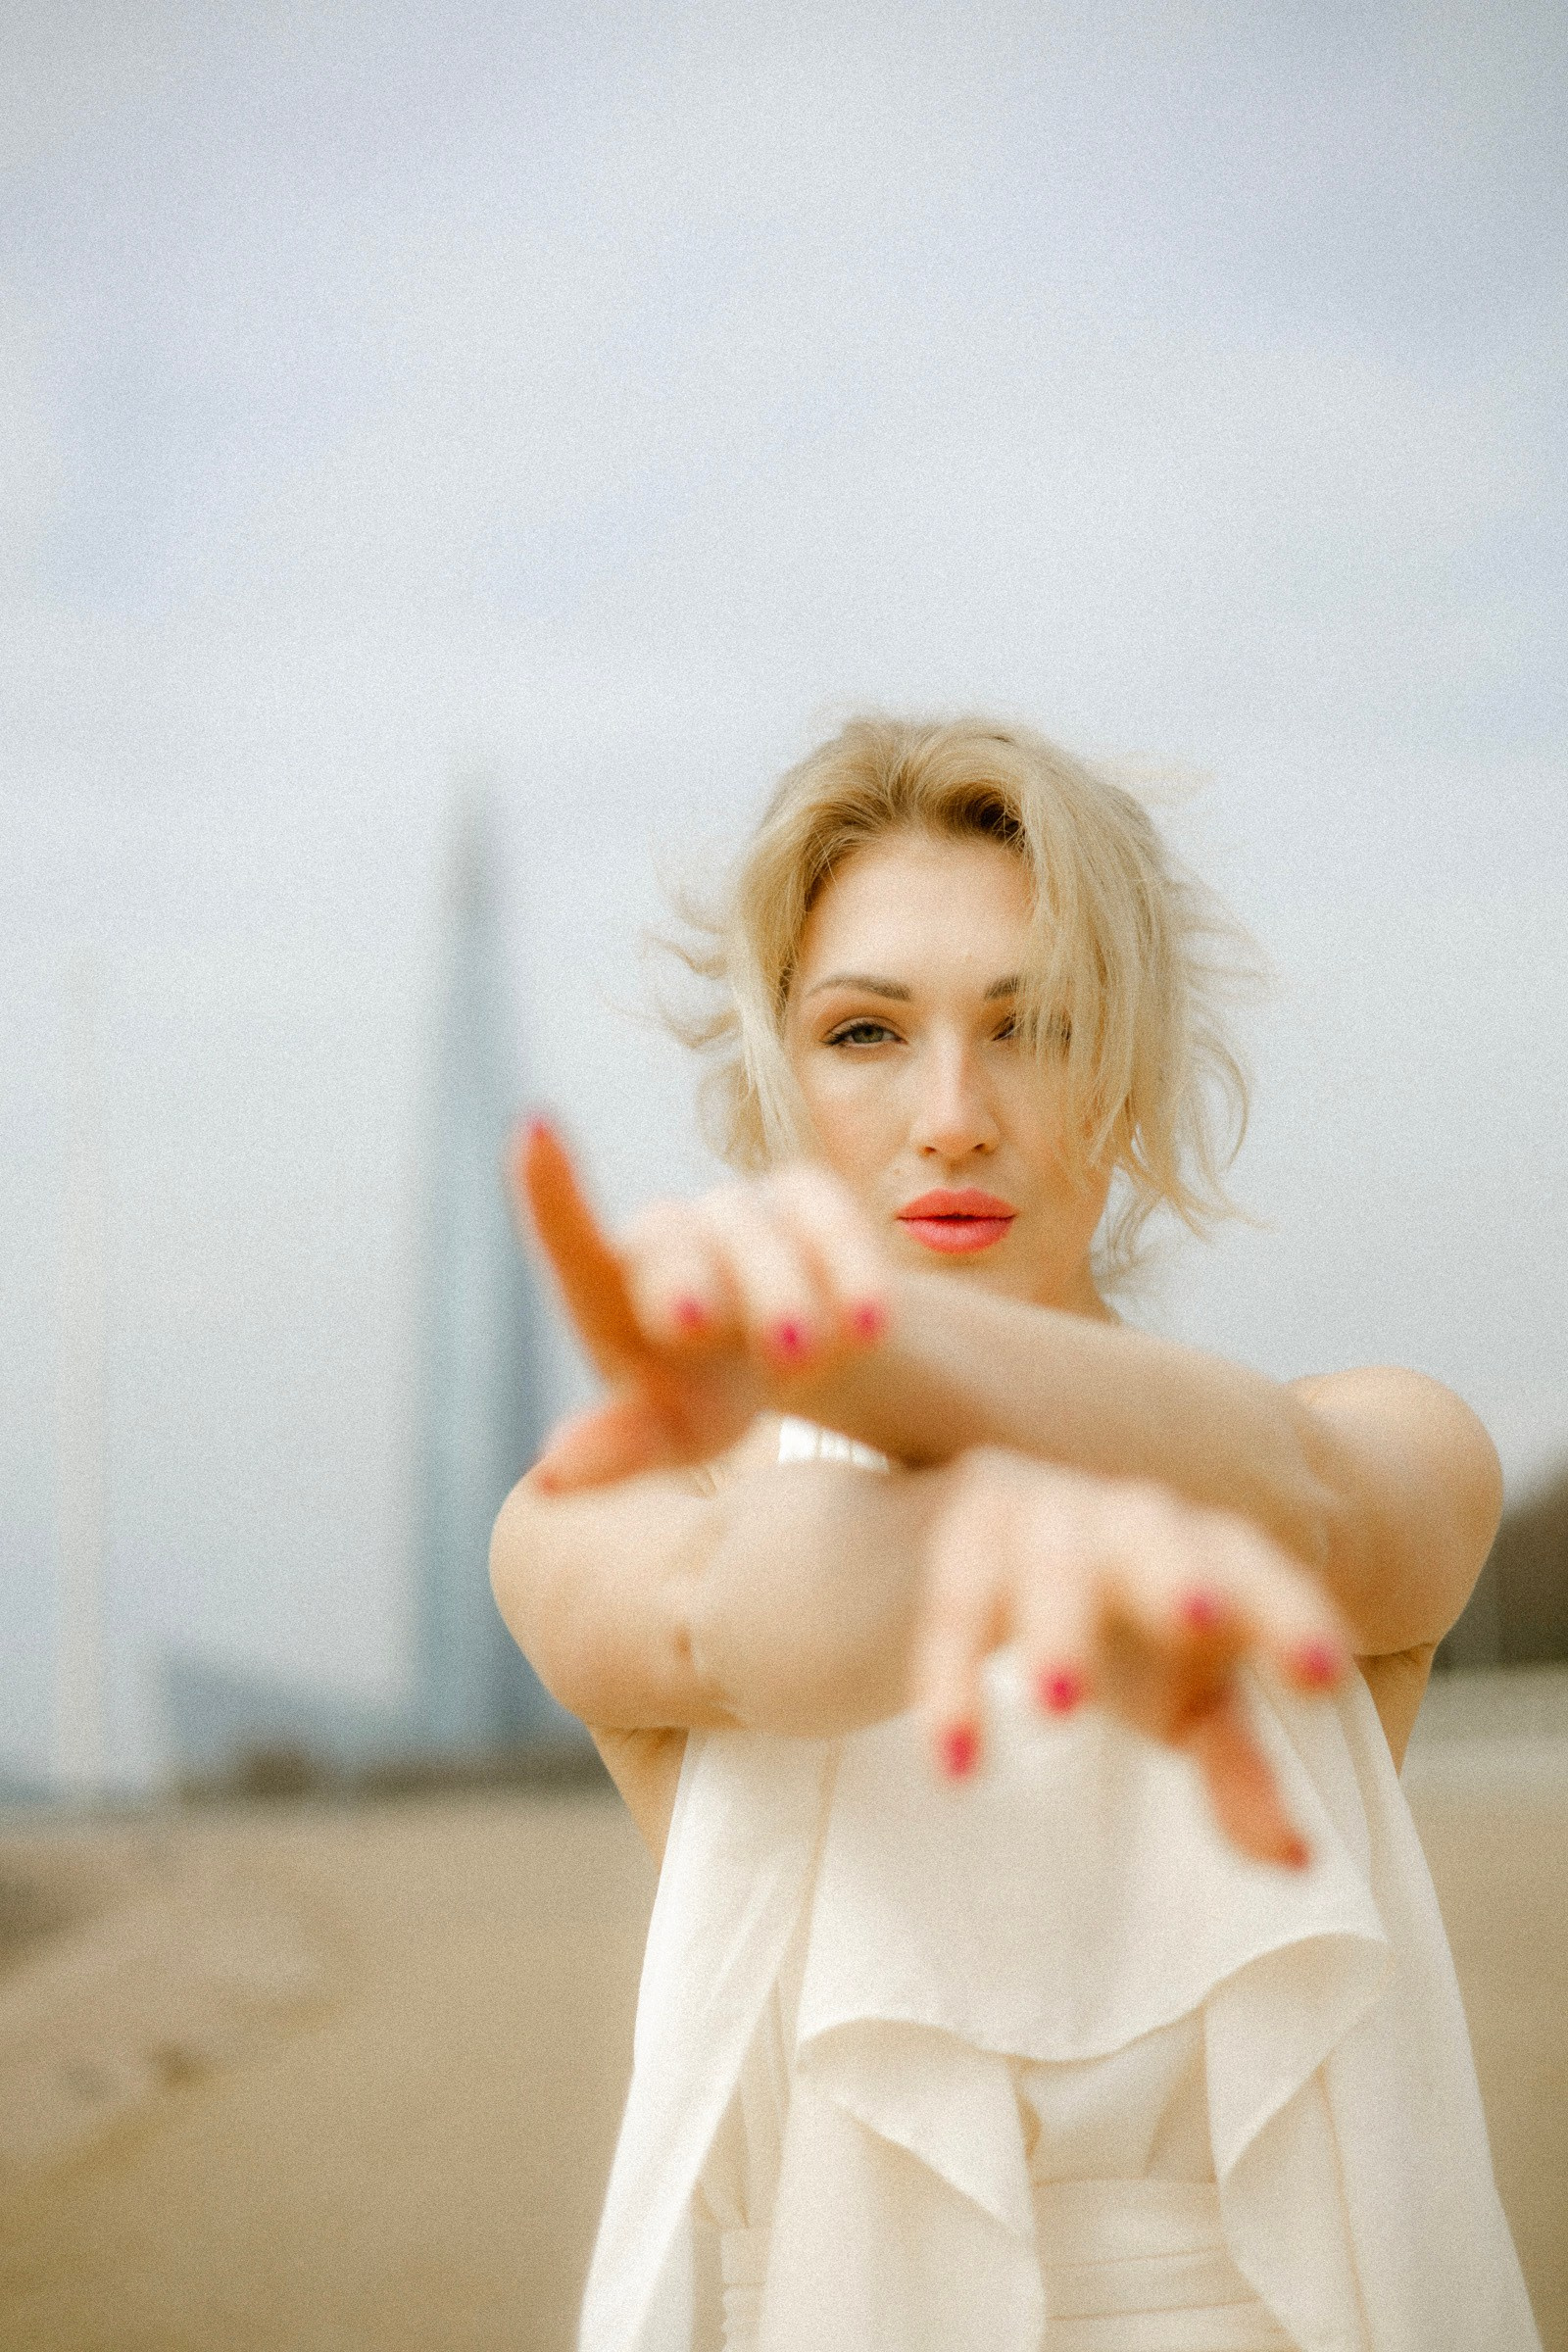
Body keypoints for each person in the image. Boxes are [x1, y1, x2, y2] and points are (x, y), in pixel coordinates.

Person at [489, 717, 1540, 2352]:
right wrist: (929, 1478)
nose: (953, 1114)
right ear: (776, 1075)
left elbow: (1313, 1504)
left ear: (1131, 1072)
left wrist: (871, 1349)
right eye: (865, 1031)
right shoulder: (620, 1511)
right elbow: (741, 1620)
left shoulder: (1373, 1442)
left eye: (1032, 1025)